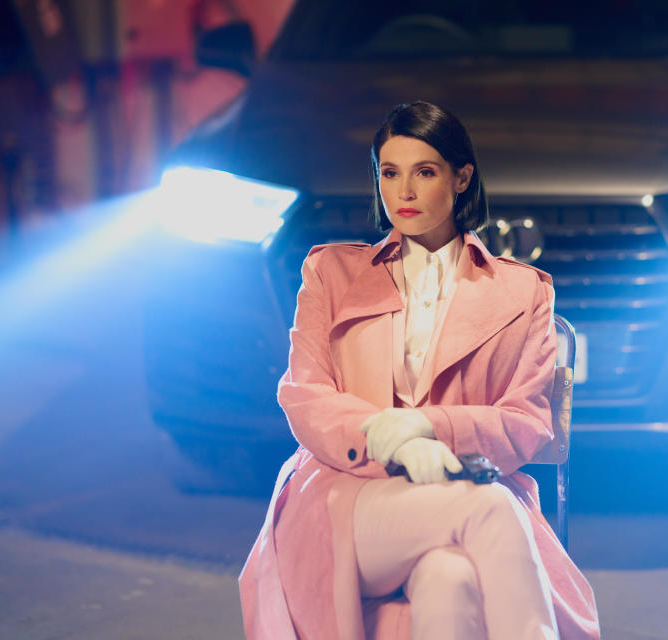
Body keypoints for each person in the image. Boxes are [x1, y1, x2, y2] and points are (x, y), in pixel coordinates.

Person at [239, 101, 600, 640]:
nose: (403, 192)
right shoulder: (331, 273)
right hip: (343, 499)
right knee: (490, 510)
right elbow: (305, 395)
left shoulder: (524, 291)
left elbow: (527, 422)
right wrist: (393, 441)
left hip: (465, 485)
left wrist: (431, 428)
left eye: (424, 172)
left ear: (461, 178)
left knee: (449, 576)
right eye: (390, 173)